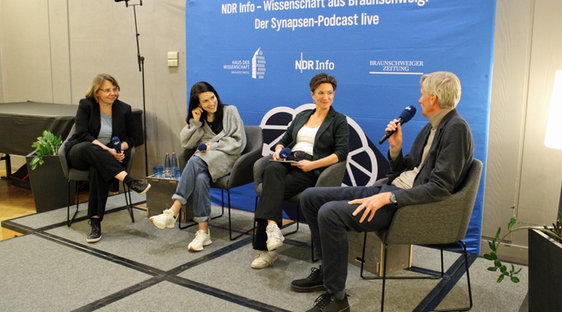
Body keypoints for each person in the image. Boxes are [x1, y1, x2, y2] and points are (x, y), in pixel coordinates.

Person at [293, 71, 474, 312]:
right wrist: (396, 148)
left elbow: (440, 188)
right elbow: (409, 169)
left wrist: (390, 197)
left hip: (403, 206)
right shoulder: (432, 127)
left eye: (422, 95)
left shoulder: (456, 129)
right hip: (390, 190)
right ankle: (327, 270)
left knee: (329, 213)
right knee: (310, 197)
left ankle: (337, 298)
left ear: (434, 98)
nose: (418, 100)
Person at [250, 73, 350, 269]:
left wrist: (311, 165)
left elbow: (341, 153)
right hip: (289, 159)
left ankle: (266, 250)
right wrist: (279, 150)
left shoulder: (338, 120)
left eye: (330, 93)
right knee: (272, 167)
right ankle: (272, 227)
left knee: (270, 188)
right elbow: (284, 139)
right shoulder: (302, 116)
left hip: (310, 167)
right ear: (312, 94)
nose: (326, 97)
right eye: (321, 93)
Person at [149, 81, 246, 252]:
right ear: (198, 105)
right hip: (207, 161)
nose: (211, 103)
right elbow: (186, 143)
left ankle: (173, 211)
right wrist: (195, 122)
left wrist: (212, 146)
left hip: (229, 158)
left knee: (195, 159)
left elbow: (238, 141)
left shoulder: (230, 111)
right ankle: (203, 232)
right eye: (205, 101)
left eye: (212, 98)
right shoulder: (200, 120)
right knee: (200, 178)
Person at [65, 73, 151, 244]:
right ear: (97, 92)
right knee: (93, 150)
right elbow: (82, 134)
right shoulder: (86, 105)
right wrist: (107, 151)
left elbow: (134, 138)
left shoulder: (124, 109)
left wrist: (119, 149)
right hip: (82, 150)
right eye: (107, 90)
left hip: (109, 157)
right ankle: (129, 180)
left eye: (115, 89)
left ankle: (95, 223)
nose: (113, 93)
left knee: (99, 168)